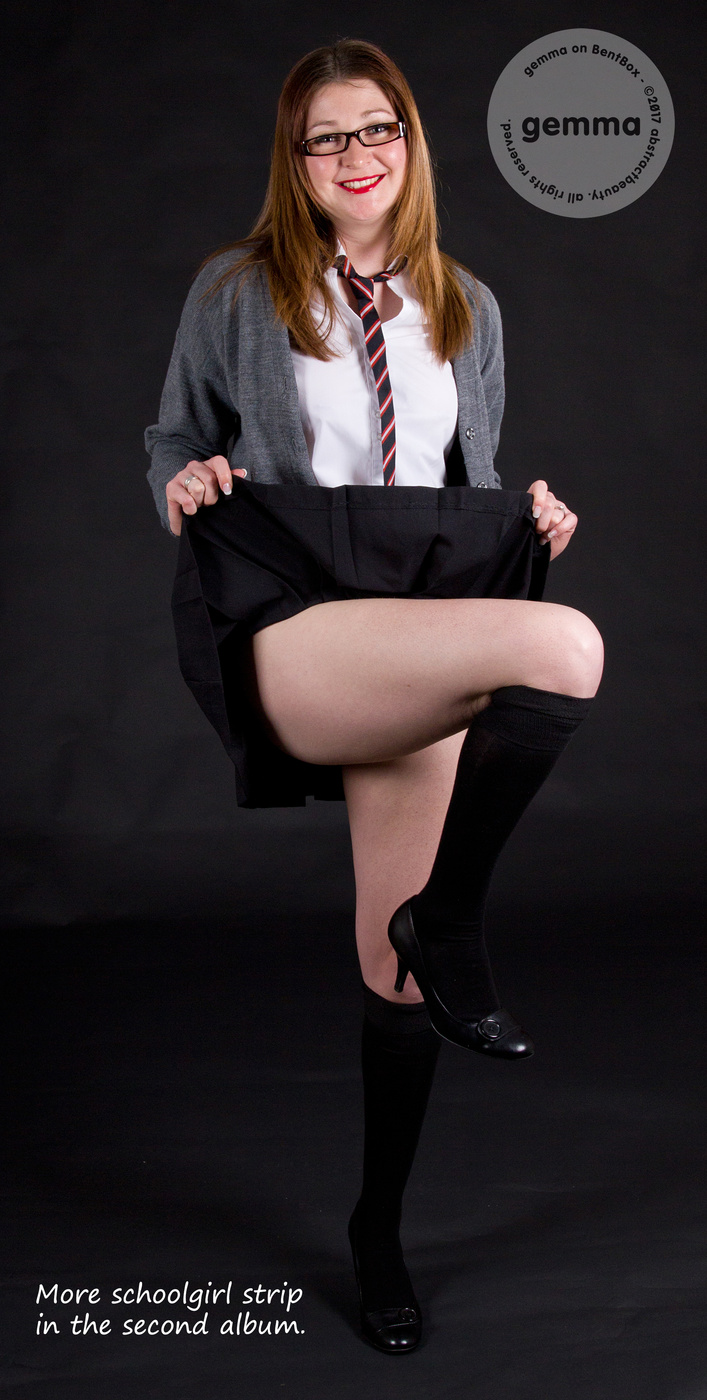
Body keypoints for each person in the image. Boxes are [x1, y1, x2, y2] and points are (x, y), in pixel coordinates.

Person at [145, 39, 603, 1355]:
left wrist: (529, 514)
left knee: (391, 974)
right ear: (296, 163)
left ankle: (377, 1232)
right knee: (565, 649)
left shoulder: (468, 304)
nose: (357, 156)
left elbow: (470, 480)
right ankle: (450, 916)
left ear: (410, 141)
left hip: (417, 620)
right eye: (327, 137)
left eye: (378, 128)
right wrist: (182, 482)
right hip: (298, 625)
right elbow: (173, 435)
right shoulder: (238, 290)